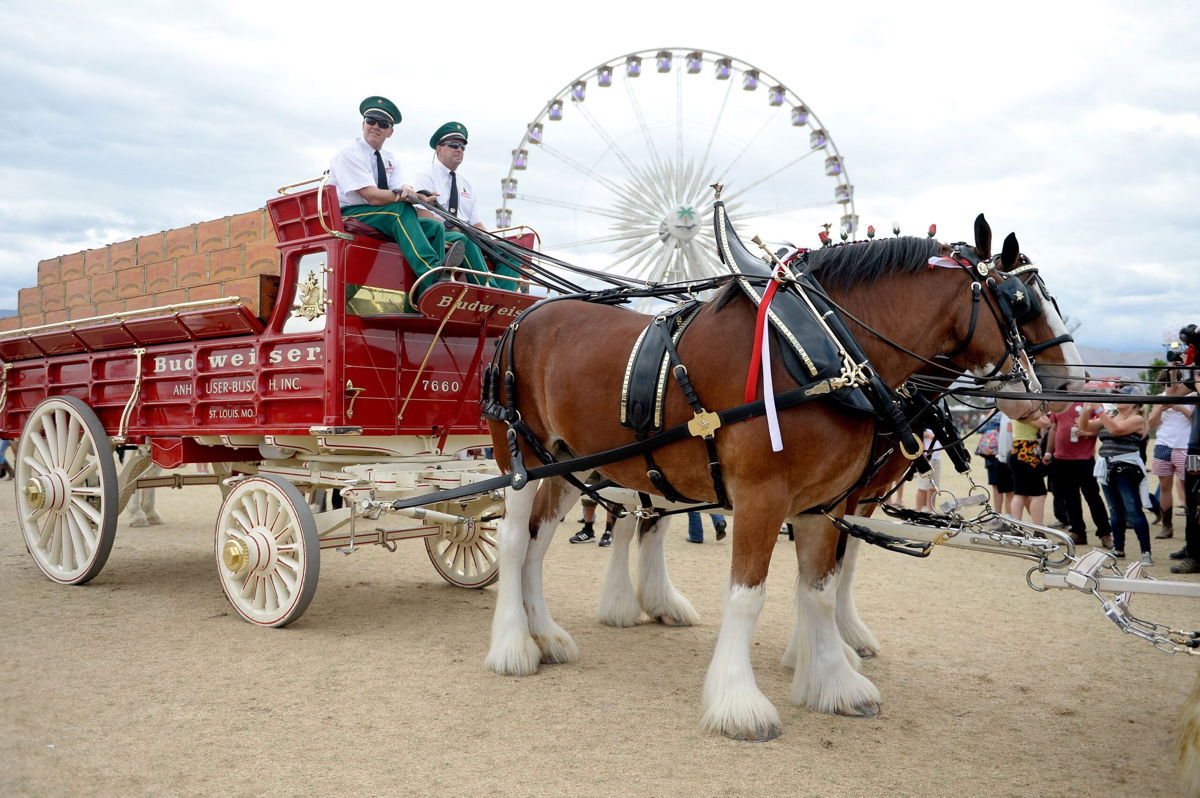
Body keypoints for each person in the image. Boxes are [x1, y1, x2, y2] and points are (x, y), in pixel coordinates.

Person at [327, 97, 465, 300]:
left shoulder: (390, 158)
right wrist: (406, 196)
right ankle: (433, 274)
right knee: (401, 211)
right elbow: (372, 196)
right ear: (363, 124)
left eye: (383, 124)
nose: (376, 127)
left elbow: (400, 191)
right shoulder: (349, 154)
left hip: (382, 213)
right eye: (371, 121)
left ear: (390, 131)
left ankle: (422, 297)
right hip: (352, 212)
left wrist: (419, 197)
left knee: (434, 227)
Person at [413, 122, 522, 290]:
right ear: (439, 149)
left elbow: (476, 223)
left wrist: (491, 242)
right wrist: (458, 231)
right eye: (454, 145)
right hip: (438, 236)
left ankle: (505, 298)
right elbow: (424, 216)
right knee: (464, 241)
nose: (459, 150)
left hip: (467, 235)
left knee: (511, 252)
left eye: (463, 147)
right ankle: (491, 292)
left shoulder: (467, 185)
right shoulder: (424, 177)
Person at [1080, 389, 1152, 564]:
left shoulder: (1137, 419)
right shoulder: (1111, 415)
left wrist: (1099, 411)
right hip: (1107, 466)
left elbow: (1116, 430)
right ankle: (1118, 549)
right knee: (1114, 511)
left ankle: (1146, 552)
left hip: (1126, 469)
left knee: (1133, 510)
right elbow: (1085, 427)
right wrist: (1086, 409)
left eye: (1123, 395)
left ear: (1134, 401)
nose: (1117, 398)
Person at [1044, 402, 1113, 547]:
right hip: (1061, 459)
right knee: (1070, 498)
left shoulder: (1090, 402)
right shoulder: (1059, 404)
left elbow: (1103, 426)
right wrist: (1049, 452)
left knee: (1093, 497)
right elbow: (1054, 429)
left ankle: (1105, 533)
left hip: (1084, 459)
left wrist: (1088, 432)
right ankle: (1078, 533)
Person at [1147, 374, 1194, 540]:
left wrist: (1177, 406)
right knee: (1164, 486)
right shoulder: (1160, 398)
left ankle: (1192, 528)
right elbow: (1151, 425)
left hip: (1186, 446)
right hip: (1162, 445)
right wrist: (1160, 408)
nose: (1169, 385)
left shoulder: (1193, 395)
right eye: (1167, 382)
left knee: (1190, 488)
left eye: (1173, 381)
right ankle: (1167, 525)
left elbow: (1194, 420)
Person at [1009, 413, 1051, 525]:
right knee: (1039, 494)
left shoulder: (1018, 409)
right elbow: (1045, 423)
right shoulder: (1026, 411)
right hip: (1027, 453)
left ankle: (1017, 527)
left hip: (1017, 450)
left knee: (1020, 493)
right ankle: (1039, 529)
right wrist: (1040, 411)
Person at [913, 427, 941, 512]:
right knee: (923, 487)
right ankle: (918, 510)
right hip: (925, 457)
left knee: (934, 486)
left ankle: (931, 510)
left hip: (936, 456)